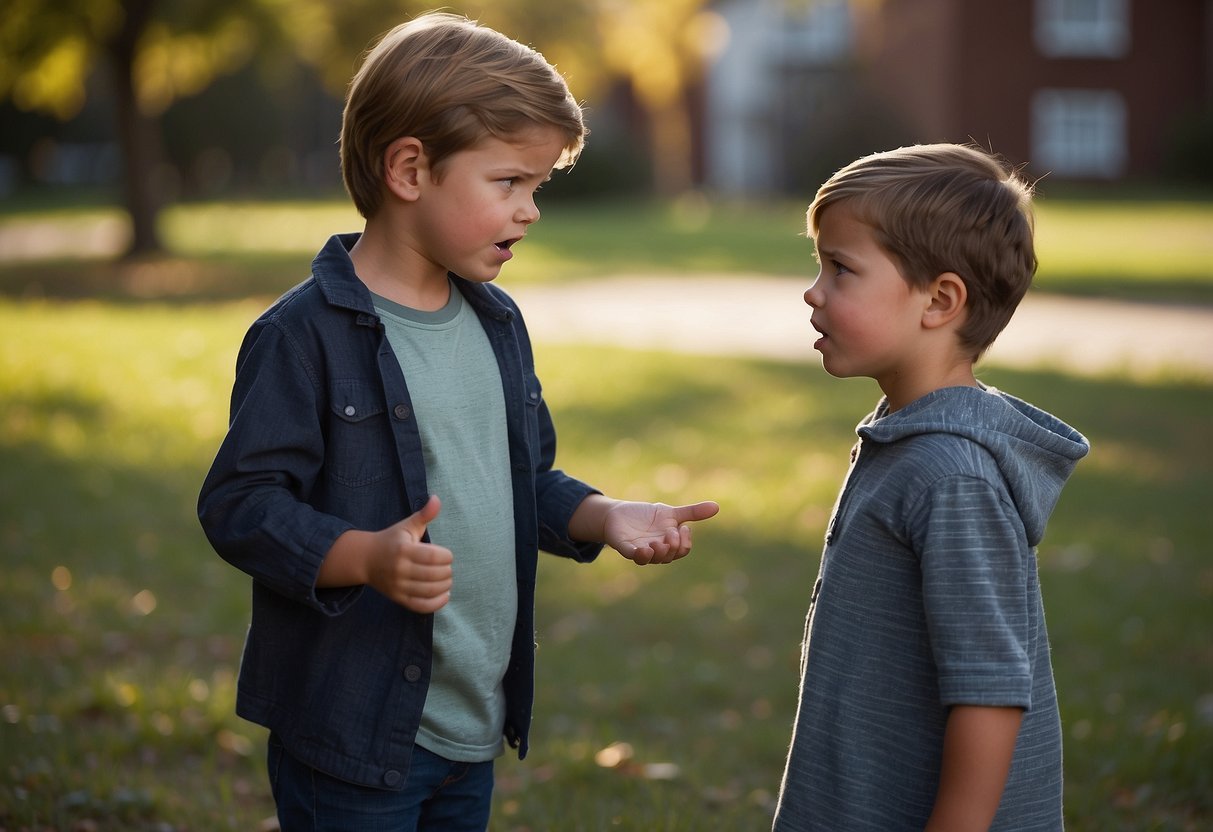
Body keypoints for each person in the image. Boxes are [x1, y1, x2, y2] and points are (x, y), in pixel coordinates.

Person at [197, 13, 718, 831]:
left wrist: (606, 515)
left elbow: (521, 480)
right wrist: (362, 557)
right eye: (509, 182)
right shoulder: (301, 336)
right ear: (410, 168)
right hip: (354, 730)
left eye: (537, 187)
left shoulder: (497, 324)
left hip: (471, 725)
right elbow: (241, 505)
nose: (531, 210)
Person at [771, 143, 1089, 831]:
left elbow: (991, 693)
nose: (812, 290)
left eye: (841, 269)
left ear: (939, 301)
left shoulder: (952, 476)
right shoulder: (904, 436)